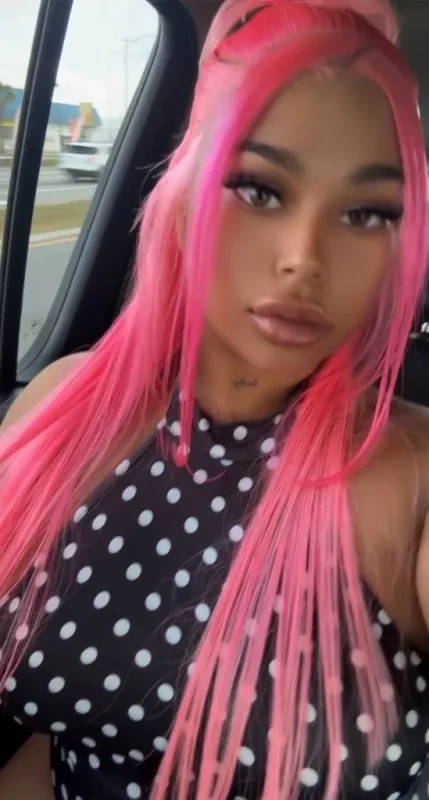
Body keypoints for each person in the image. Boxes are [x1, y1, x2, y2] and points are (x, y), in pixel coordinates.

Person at [0, 0, 429, 797]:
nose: (303, 258)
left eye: (366, 212)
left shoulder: (409, 478)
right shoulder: (60, 410)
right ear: (181, 195)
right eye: (259, 190)